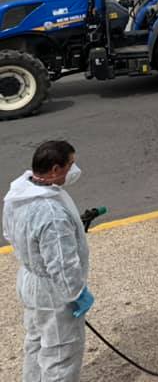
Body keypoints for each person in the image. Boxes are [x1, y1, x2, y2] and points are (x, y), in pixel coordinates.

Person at [2, 140, 92, 382]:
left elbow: (9, 234)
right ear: (55, 169)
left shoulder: (18, 193)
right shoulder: (51, 213)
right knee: (61, 354)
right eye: (70, 164)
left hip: (29, 281)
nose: (74, 170)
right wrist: (76, 293)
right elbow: (61, 265)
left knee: (36, 342)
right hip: (52, 292)